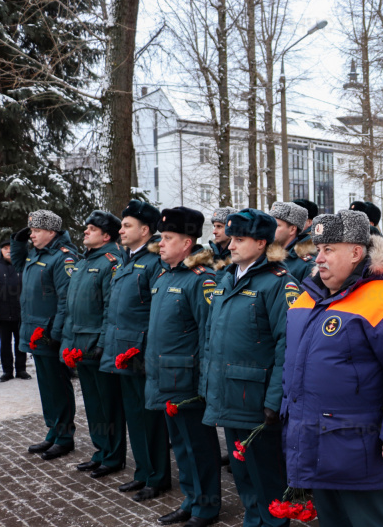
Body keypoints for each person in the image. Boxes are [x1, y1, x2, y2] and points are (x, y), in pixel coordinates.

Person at [282, 210, 383, 527]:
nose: (319, 258)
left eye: (329, 250)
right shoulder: (305, 301)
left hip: (361, 450)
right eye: (318, 249)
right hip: (315, 444)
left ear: (355, 252)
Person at [202, 209, 298, 527]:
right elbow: (214, 338)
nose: (230, 246)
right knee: (243, 474)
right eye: (231, 239)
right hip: (229, 394)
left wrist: (275, 400)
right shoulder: (227, 278)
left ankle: (271, 523)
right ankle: (253, 521)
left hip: (256, 400)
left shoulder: (279, 284)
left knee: (266, 476)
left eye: (239, 239)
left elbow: (289, 347)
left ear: (261, 243)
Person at [145, 207, 220, 527]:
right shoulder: (165, 275)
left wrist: (204, 383)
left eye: (168, 238)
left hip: (188, 381)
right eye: (161, 237)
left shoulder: (201, 280)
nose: (160, 243)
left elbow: (209, 334)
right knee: (181, 446)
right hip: (165, 377)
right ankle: (191, 500)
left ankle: (206, 507)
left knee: (198, 447)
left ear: (188, 242)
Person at [100, 200, 172, 502]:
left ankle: (158, 477)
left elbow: (157, 312)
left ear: (145, 230)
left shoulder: (155, 262)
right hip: (121, 352)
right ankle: (143, 471)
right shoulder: (125, 260)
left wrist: (142, 348)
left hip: (140, 354)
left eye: (127, 225)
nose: (121, 230)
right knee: (134, 415)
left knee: (150, 419)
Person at [60, 211, 126, 478]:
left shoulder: (112, 262)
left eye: (91, 228)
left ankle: (114, 457)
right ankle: (101, 452)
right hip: (79, 345)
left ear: (106, 235)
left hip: (99, 346)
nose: (85, 231)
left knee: (108, 404)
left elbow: (112, 307)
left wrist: (102, 342)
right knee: (93, 404)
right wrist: (67, 342)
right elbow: (70, 308)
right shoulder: (83, 262)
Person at [10, 210, 81, 460]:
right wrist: (17, 242)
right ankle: (53, 431)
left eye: (36, 231)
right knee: (46, 387)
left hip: (49, 333)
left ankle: (64, 437)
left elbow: (66, 300)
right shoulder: (37, 255)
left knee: (58, 387)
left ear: (51, 232)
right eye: (31, 231)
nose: (32, 235)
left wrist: (55, 333)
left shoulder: (63, 258)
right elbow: (18, 263)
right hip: (34, 331)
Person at [0, 239, 27, 382]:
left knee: (20, 342)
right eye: (5, 248)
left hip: (21, 312)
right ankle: (7, 371)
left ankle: (21, 370)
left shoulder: (23, 265)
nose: (8, 251)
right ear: (0, 251)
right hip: (2, 313)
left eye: (11, 248)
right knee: (5, 344)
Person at [269, 201, 316, 282]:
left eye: (277, 225)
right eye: (270, 224)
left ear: (292, 229)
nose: (271, 229)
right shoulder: (264, 256)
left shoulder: (307, 265)